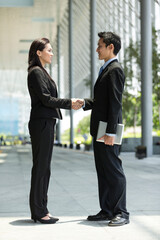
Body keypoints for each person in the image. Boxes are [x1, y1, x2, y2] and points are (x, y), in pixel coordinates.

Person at [27, 38, 83, 224]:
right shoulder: (36, 72)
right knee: (41, 168)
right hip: (42, 123)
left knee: (44, 168)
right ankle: (39, 211)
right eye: (49, 50)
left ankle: (41, 209)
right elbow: (46, 99)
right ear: (39, 52)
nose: (51, 53)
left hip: (46, 122)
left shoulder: (42, 72)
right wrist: (70, 103)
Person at [82, 32, 129, 226]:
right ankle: (107, 209)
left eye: (100, 45)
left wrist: (110, 132)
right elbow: (102, 101)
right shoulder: (106, 69)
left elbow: (115, 104)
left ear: (111, 47)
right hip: (100, 128)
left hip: (108, 129)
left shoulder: (115, 69)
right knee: (103, 170)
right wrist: (84, 103)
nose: (97, 49)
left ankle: (122, 212)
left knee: (113, 170)